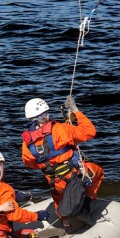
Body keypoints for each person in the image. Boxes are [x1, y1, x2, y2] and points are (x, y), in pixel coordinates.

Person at [21, 95, 104, 229]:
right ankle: (85, 208)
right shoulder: (61, 129)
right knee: (98, 173)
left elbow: (29, 163)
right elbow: (90, 131)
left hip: (55, 183)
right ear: (44, 115)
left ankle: (66, 224)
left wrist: (47, 162)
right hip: (74, 176)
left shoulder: (27, 142)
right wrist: (75, 110)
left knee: (59, 206)